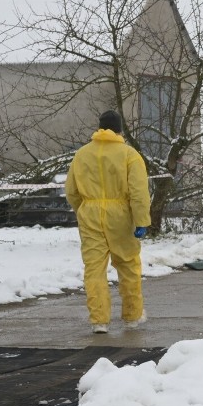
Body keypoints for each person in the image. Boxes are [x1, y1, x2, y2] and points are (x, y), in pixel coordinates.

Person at [65, 110, 151, 334]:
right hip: (120, 215)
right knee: (128, 265)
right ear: (119, 129)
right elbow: (139, 192)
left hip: (90, 214)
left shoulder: (82, 154)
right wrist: (141, 220)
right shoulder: (129, 155)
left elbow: (71, 191)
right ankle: (132, 316)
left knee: (94, 268)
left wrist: (83, 210)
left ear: (99, 127)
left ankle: (99, 320)